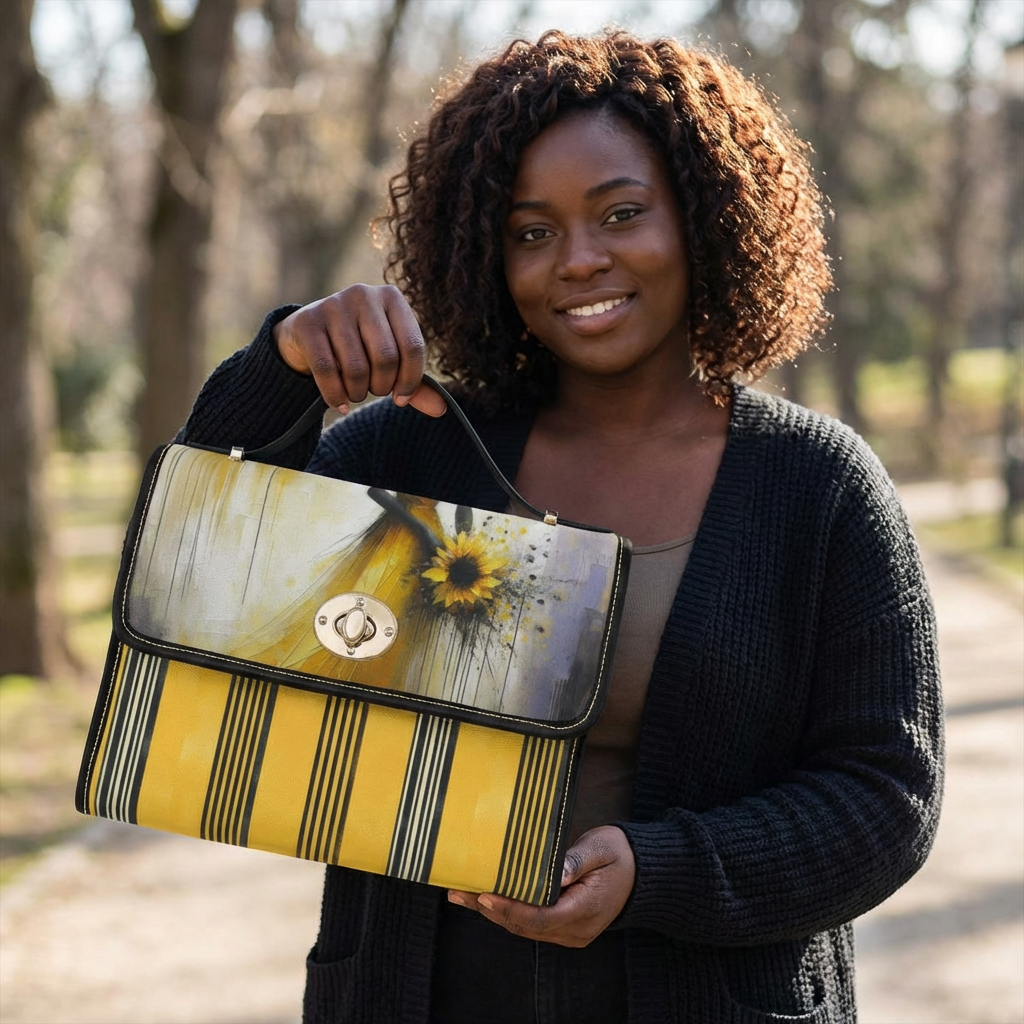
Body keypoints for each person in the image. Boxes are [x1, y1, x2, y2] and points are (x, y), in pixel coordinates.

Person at [179, 30, 942, 1024]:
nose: (578, 261)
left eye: (621, 214)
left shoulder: (816, 487)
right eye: (529, 232)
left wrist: (656, 872)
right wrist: (275, 377)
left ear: (706, 220)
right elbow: (194, 595)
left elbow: (885, 797)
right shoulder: (407, 455)